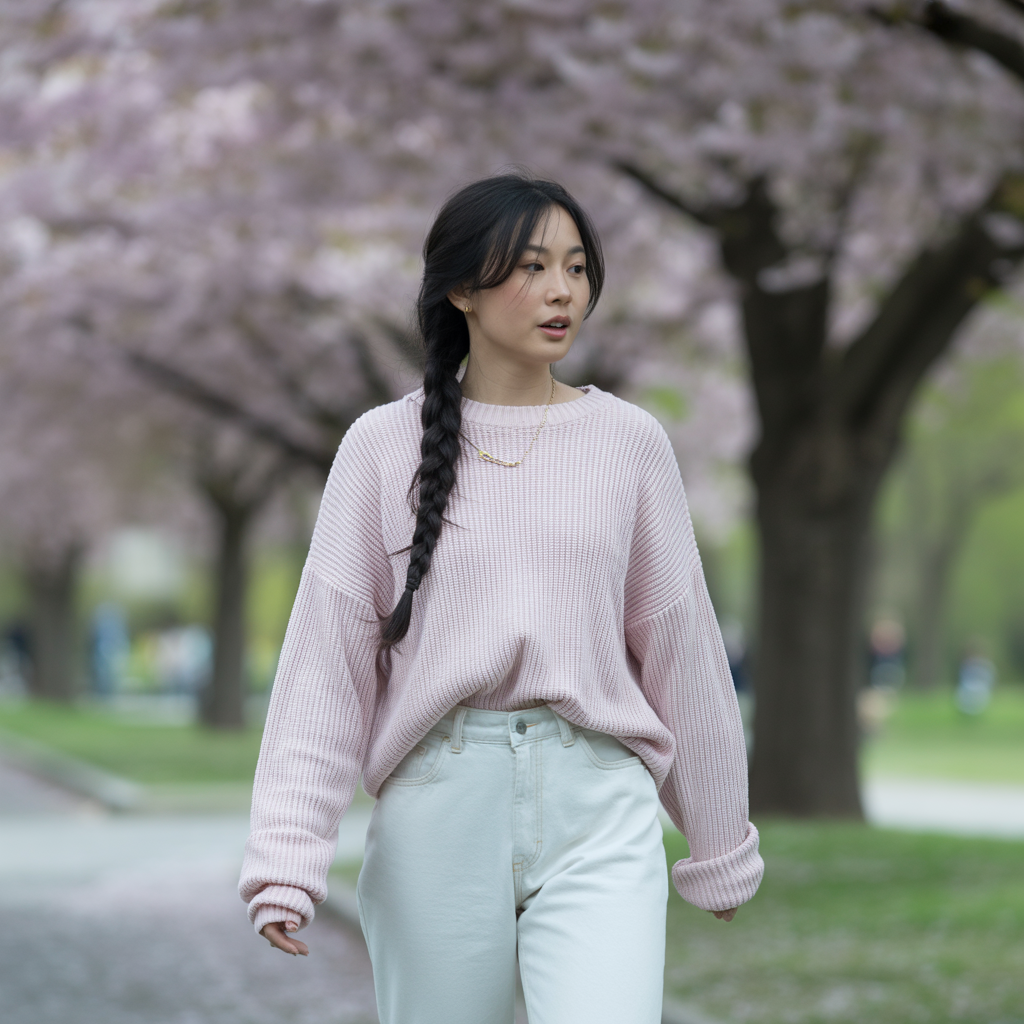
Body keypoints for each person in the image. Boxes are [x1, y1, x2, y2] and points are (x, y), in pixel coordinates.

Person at [238, 173, 763, 1024]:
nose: (562, 291)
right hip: (437, 810)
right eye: (530, 267)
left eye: (577, 267)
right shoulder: (379, 449)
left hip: (599, 802)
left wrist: (718, 840)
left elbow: (681, 647)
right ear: (460, 290)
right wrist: (288, 858)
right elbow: (327, 666)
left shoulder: (629, 443)